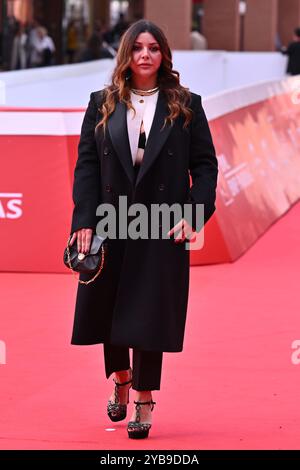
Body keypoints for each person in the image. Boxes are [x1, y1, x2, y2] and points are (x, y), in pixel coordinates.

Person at [68, 19, 218, 439]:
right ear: (126, 56)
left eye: (153, 47)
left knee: (149, 316)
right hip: (111, 223)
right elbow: (88, 166)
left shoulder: (186, 103)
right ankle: (121, 378)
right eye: (138, 48)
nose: (146, 54)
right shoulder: (102, 103)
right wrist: (84, 221)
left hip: (161, 225)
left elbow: (205, 166)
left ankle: (144, 399)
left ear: (164, 54)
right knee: (106, 311)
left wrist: (194, 211)